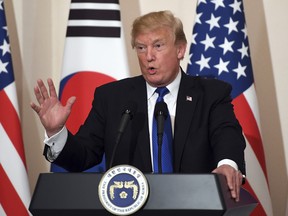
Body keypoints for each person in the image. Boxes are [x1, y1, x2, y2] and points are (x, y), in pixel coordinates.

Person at [31, 10, 245, 202]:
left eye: (158, 46)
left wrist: (227, 165)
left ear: (180, 49)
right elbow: (83, 157)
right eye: (141, 48)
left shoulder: (211, 94)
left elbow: (227, 134)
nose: (148, 56)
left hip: (196, 205)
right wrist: (56, 131)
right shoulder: (112, 97)